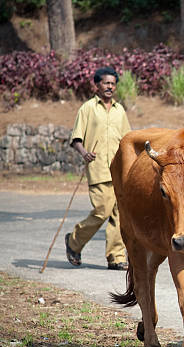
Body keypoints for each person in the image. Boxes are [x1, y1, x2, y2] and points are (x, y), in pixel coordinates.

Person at [65, 66, 131, 271]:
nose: (110, 86)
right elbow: (76, 138)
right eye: (106, 83)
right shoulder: (87, 108)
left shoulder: (120, 110)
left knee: (120, 214)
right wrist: (84, 153)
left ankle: (116, 257)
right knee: (102, 211)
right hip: (98, 169)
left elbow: (127, 140)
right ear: (97, 84)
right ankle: (74, 241)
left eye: (113, 83)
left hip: (120, 171)